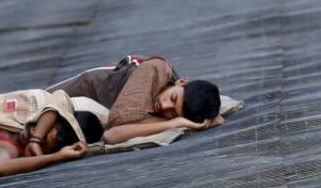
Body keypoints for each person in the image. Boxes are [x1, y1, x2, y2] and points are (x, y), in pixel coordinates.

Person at [47, 56, 223, 145]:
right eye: (172, 97)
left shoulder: (171, 116)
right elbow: (118, 121)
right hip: (56, 98)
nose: (164, 106)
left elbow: (110, 135)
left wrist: (175, 123)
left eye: (172, 112)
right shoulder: (156, 69)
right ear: (182, 81)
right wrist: (173, 121)